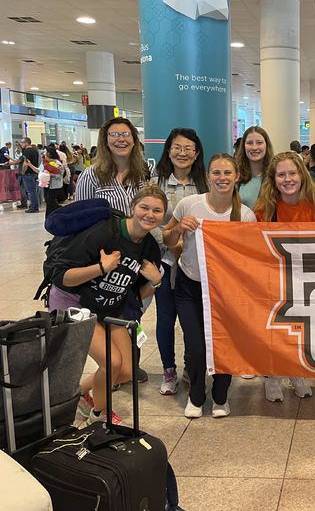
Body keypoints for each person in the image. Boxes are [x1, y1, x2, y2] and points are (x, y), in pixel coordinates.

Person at [49, 186, 165, 425]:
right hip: (73, 302)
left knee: (127, 370)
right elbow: (61, 277)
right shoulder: (104, 233)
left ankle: (78, 393)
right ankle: (99, 416)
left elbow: (134, 294)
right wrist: (101, 268)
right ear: (133, 208)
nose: (149, 214)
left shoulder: (149, 247)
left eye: (157, 210)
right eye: (144, 207)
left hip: (110, 308)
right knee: (112, 362)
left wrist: (156, 282)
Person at [163, 154, 256, 418]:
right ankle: (195, 394)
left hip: (225, 291)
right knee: (195, 346)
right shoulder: (189, 204)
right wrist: (179, 228)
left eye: (227, 173)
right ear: (207, 176)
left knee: (224, 343)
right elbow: (168, 239)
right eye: (216, 173)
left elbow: (250, 258)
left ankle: (221, 395)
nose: (222, 178)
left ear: (237, 177)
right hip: (189, 287)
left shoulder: (245, 215)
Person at [75, 117, 151, 382]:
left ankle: (129, 363)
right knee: (106, 311)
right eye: (115, 134)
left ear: (134, 139)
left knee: (133, 309)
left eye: (126, 134)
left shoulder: (143, 175)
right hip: (106, 259)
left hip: (136, 258)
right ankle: (110, 371)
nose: (121, 139)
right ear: (105, 140)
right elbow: (80, 220)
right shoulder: (91, 175)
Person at [254, 151, 315, 401]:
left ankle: (297, 371)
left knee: (300, 328)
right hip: (274, 277)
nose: (288, 179)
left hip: (306, 277)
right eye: (281, 174)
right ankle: (272, 376)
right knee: (274, 330)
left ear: (302, 175)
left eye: (292, 173)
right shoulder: (265, 207)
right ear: (273, 179)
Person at [152, 128, 208, 395]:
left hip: (197, 265)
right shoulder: (155, 183)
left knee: (193, 320)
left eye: (188, 148)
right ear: (169, 150)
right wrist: (170, 243)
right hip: (163, 262)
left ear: (197, 154)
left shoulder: (206, 184)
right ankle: (168, 369)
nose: (182, 153)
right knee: (165, 318)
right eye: (177, 147)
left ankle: (190, 366)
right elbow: (148, 220)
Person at [235, 126, 273, 209]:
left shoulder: (275, 176)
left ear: (266, 145)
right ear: (243, 146)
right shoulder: (236, 176)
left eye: (259, 142)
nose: (254, 147)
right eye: (249, 143)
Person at [41, 144, 66, 216]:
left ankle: (50, 217)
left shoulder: (56, 163)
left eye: (46, 152)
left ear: (49, 154)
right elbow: (39, 170)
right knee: (50, 203)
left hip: (54, 186)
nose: (44, 153)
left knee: (50, 204)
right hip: (47, 185)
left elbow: (60, 175)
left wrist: (51, 174)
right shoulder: (45, 162)